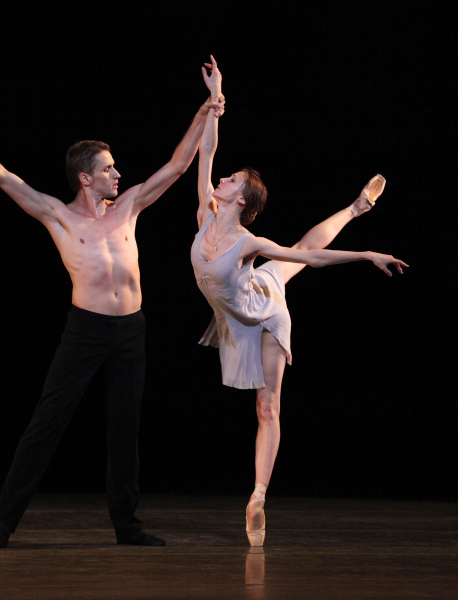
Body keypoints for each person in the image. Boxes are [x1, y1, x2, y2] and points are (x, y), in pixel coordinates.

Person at [0, 87, 224, 548]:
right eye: (108, 168)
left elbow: (177, 165)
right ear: (85, 178)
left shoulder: (129, 207)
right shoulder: (58, 217)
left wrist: (204, 109)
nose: (117, 173)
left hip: (130, 330)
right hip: (86, 330)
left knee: (125, 427)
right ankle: (4, 523)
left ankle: (127, 526)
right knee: (47, 422)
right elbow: (2, 176)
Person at [193, 57, 408, 546]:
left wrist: (367, 254)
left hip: (263, 310)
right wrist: (216, 99)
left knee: (267, 408)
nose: (222, 178)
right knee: (300, 254)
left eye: (231, 180)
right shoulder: (206, 209)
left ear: (241, 200)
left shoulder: (249, 239)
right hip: (240, 305)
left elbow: (312, 259)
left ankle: (258, 496)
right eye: (224, 177)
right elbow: (206, 151)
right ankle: (357, 206)